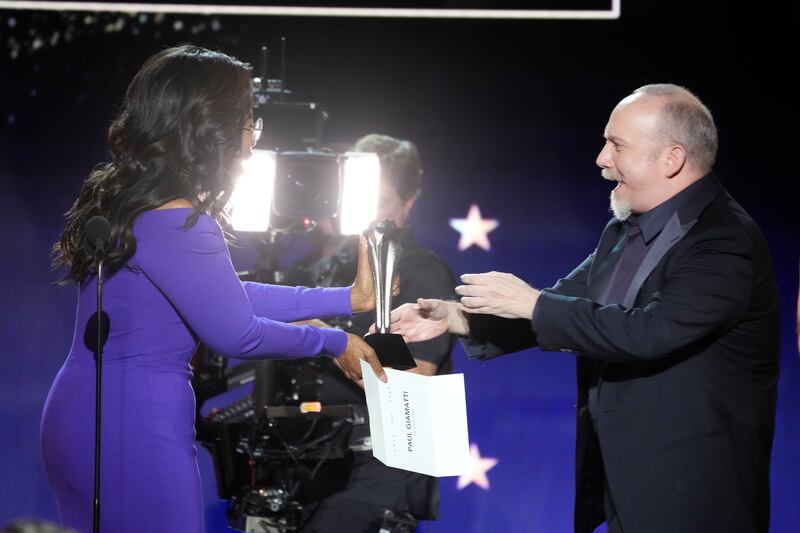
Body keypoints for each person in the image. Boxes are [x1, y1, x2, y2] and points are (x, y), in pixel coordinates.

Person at [388, 84, 780, 533]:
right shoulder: (624, 229)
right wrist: (459, 318)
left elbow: (650, 331)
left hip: (692, 493)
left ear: (671, 159)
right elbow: (564, 306)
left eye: (618, 145)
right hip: (625, 483)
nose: (601, 159)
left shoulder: (724, 240)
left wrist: (534, 303)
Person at [41, 45, 385, 533]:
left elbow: (225, 298)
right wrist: (334, 341)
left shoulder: (138, 202)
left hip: (87, 412)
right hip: (134, 425)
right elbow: (236, 333)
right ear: (209, 128)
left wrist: (346, 299)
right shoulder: (178, 217)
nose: (251, 139)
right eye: (247, 121)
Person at [296, 134, 458, 532]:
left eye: (381, 202)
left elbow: (409, 386)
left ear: (409, 202)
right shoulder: (329, 269)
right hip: (315, 469)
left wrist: (324, 338)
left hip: (377, 480)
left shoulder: (420, 273)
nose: (368, 214)